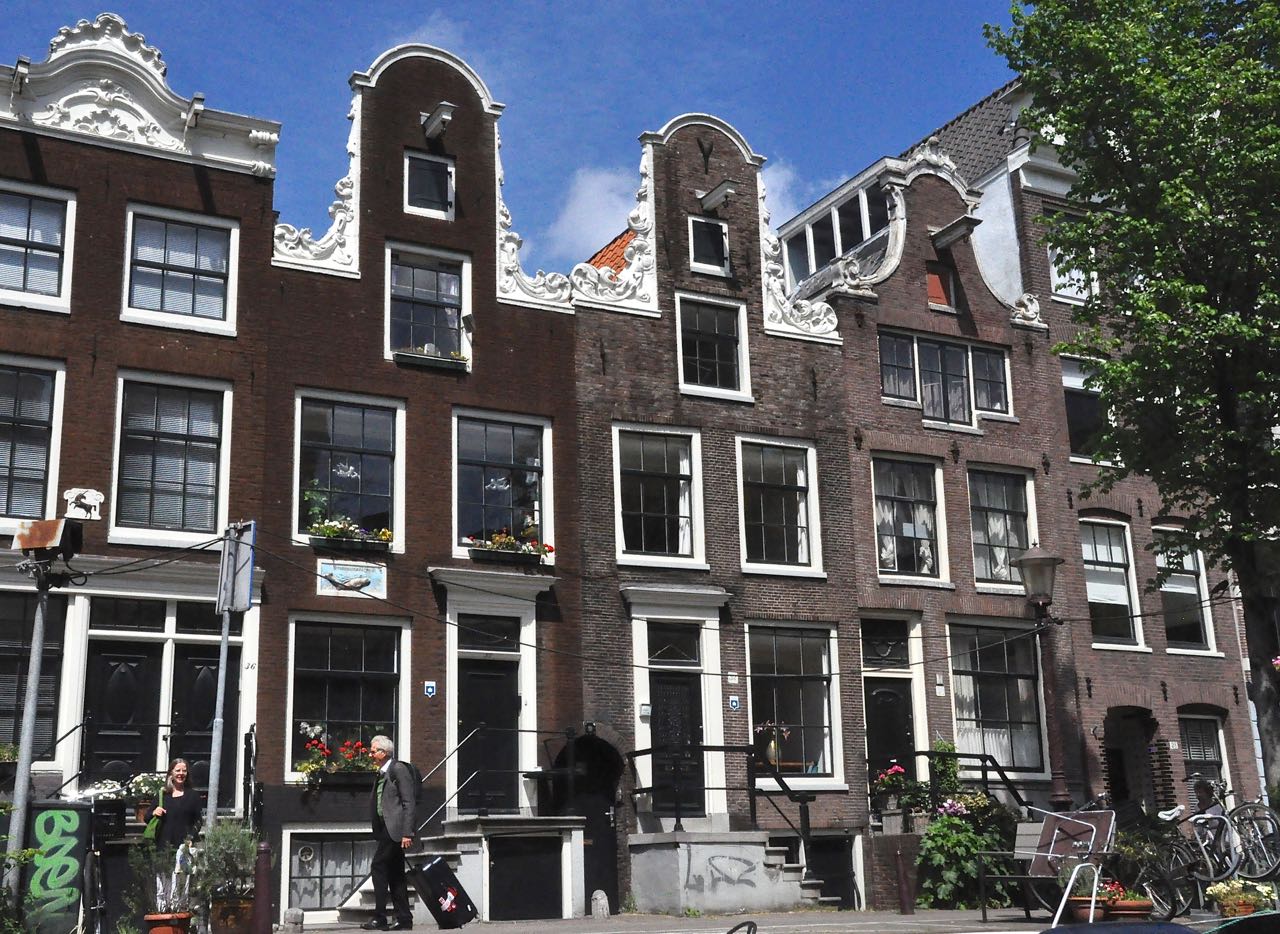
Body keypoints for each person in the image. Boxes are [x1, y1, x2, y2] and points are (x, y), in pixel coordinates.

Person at [363, 735, 415, 931]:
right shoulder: (381, 772)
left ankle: (380, 917)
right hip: (385, 828)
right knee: (396, 874)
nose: (370, 754)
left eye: (373, 751)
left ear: (383, 753)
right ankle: (404, 919)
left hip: (395, 829)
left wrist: (407, 832)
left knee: (378, 866)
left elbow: (408, 802)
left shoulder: (398, 769)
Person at [150, 758, 204, 848]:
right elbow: (146, 817)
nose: (181, 773)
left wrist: (190, 838)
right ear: (171, 773)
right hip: (163, 845)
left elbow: (198, 821)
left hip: (184, 845)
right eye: (178, 770)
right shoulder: (163, 794)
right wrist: (154, 812)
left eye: (184, 771)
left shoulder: (193, 795)